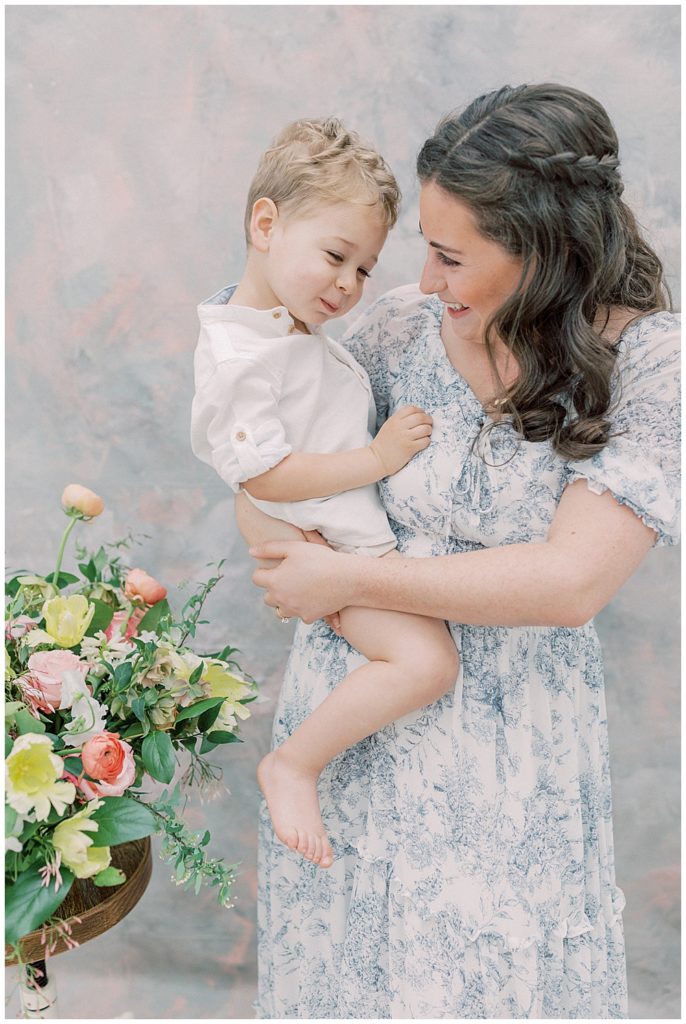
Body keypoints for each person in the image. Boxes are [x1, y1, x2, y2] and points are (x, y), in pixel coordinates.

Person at [244, 84, 680, 1018]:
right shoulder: (399, 326)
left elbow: (571, 582)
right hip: (359, 719)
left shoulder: (652, 365)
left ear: (548, 254)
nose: (427, 282)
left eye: (451, 256)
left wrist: (344, 574)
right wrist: (279, 532)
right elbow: (261, 424)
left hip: (514, 753)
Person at [190, 118, 459, 871]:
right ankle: (293, 764)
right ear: (266, 224)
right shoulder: (242, 356)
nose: (348, 285)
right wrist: (375, 459)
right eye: (336, 256)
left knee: (423, 656)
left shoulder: (282, 328)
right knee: (427, 663)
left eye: (364, 269)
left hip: (335, 536)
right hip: (329, 544)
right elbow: (264, 475)